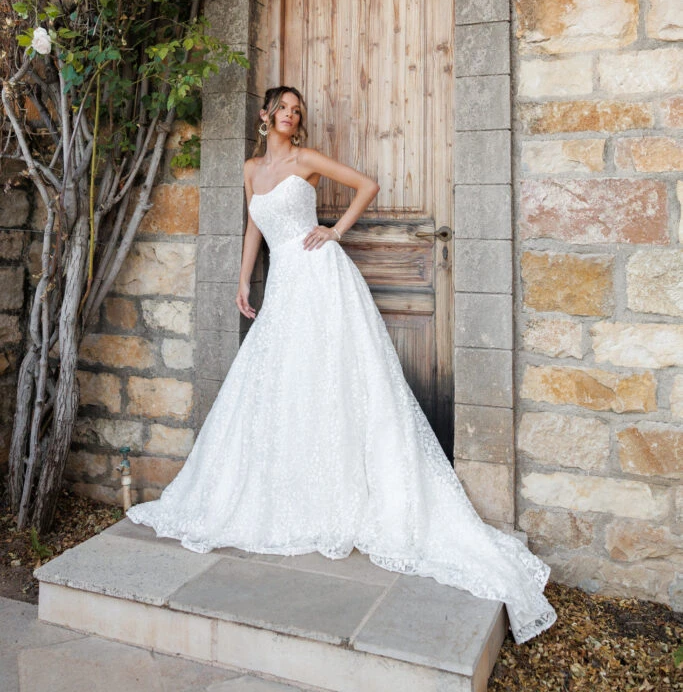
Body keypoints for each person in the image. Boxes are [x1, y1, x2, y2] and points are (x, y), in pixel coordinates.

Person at [127, 85, 557, 644]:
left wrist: (335, 230)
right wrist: (240, 278)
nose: (290, 116)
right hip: (283, 283)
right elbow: (255, 227)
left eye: (296, 111)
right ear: (264, 116)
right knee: (286, 385)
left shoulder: (306, 160)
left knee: (339, 380)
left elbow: (367, 185)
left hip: (322, 276)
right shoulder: (251, 167)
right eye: (283, 109)